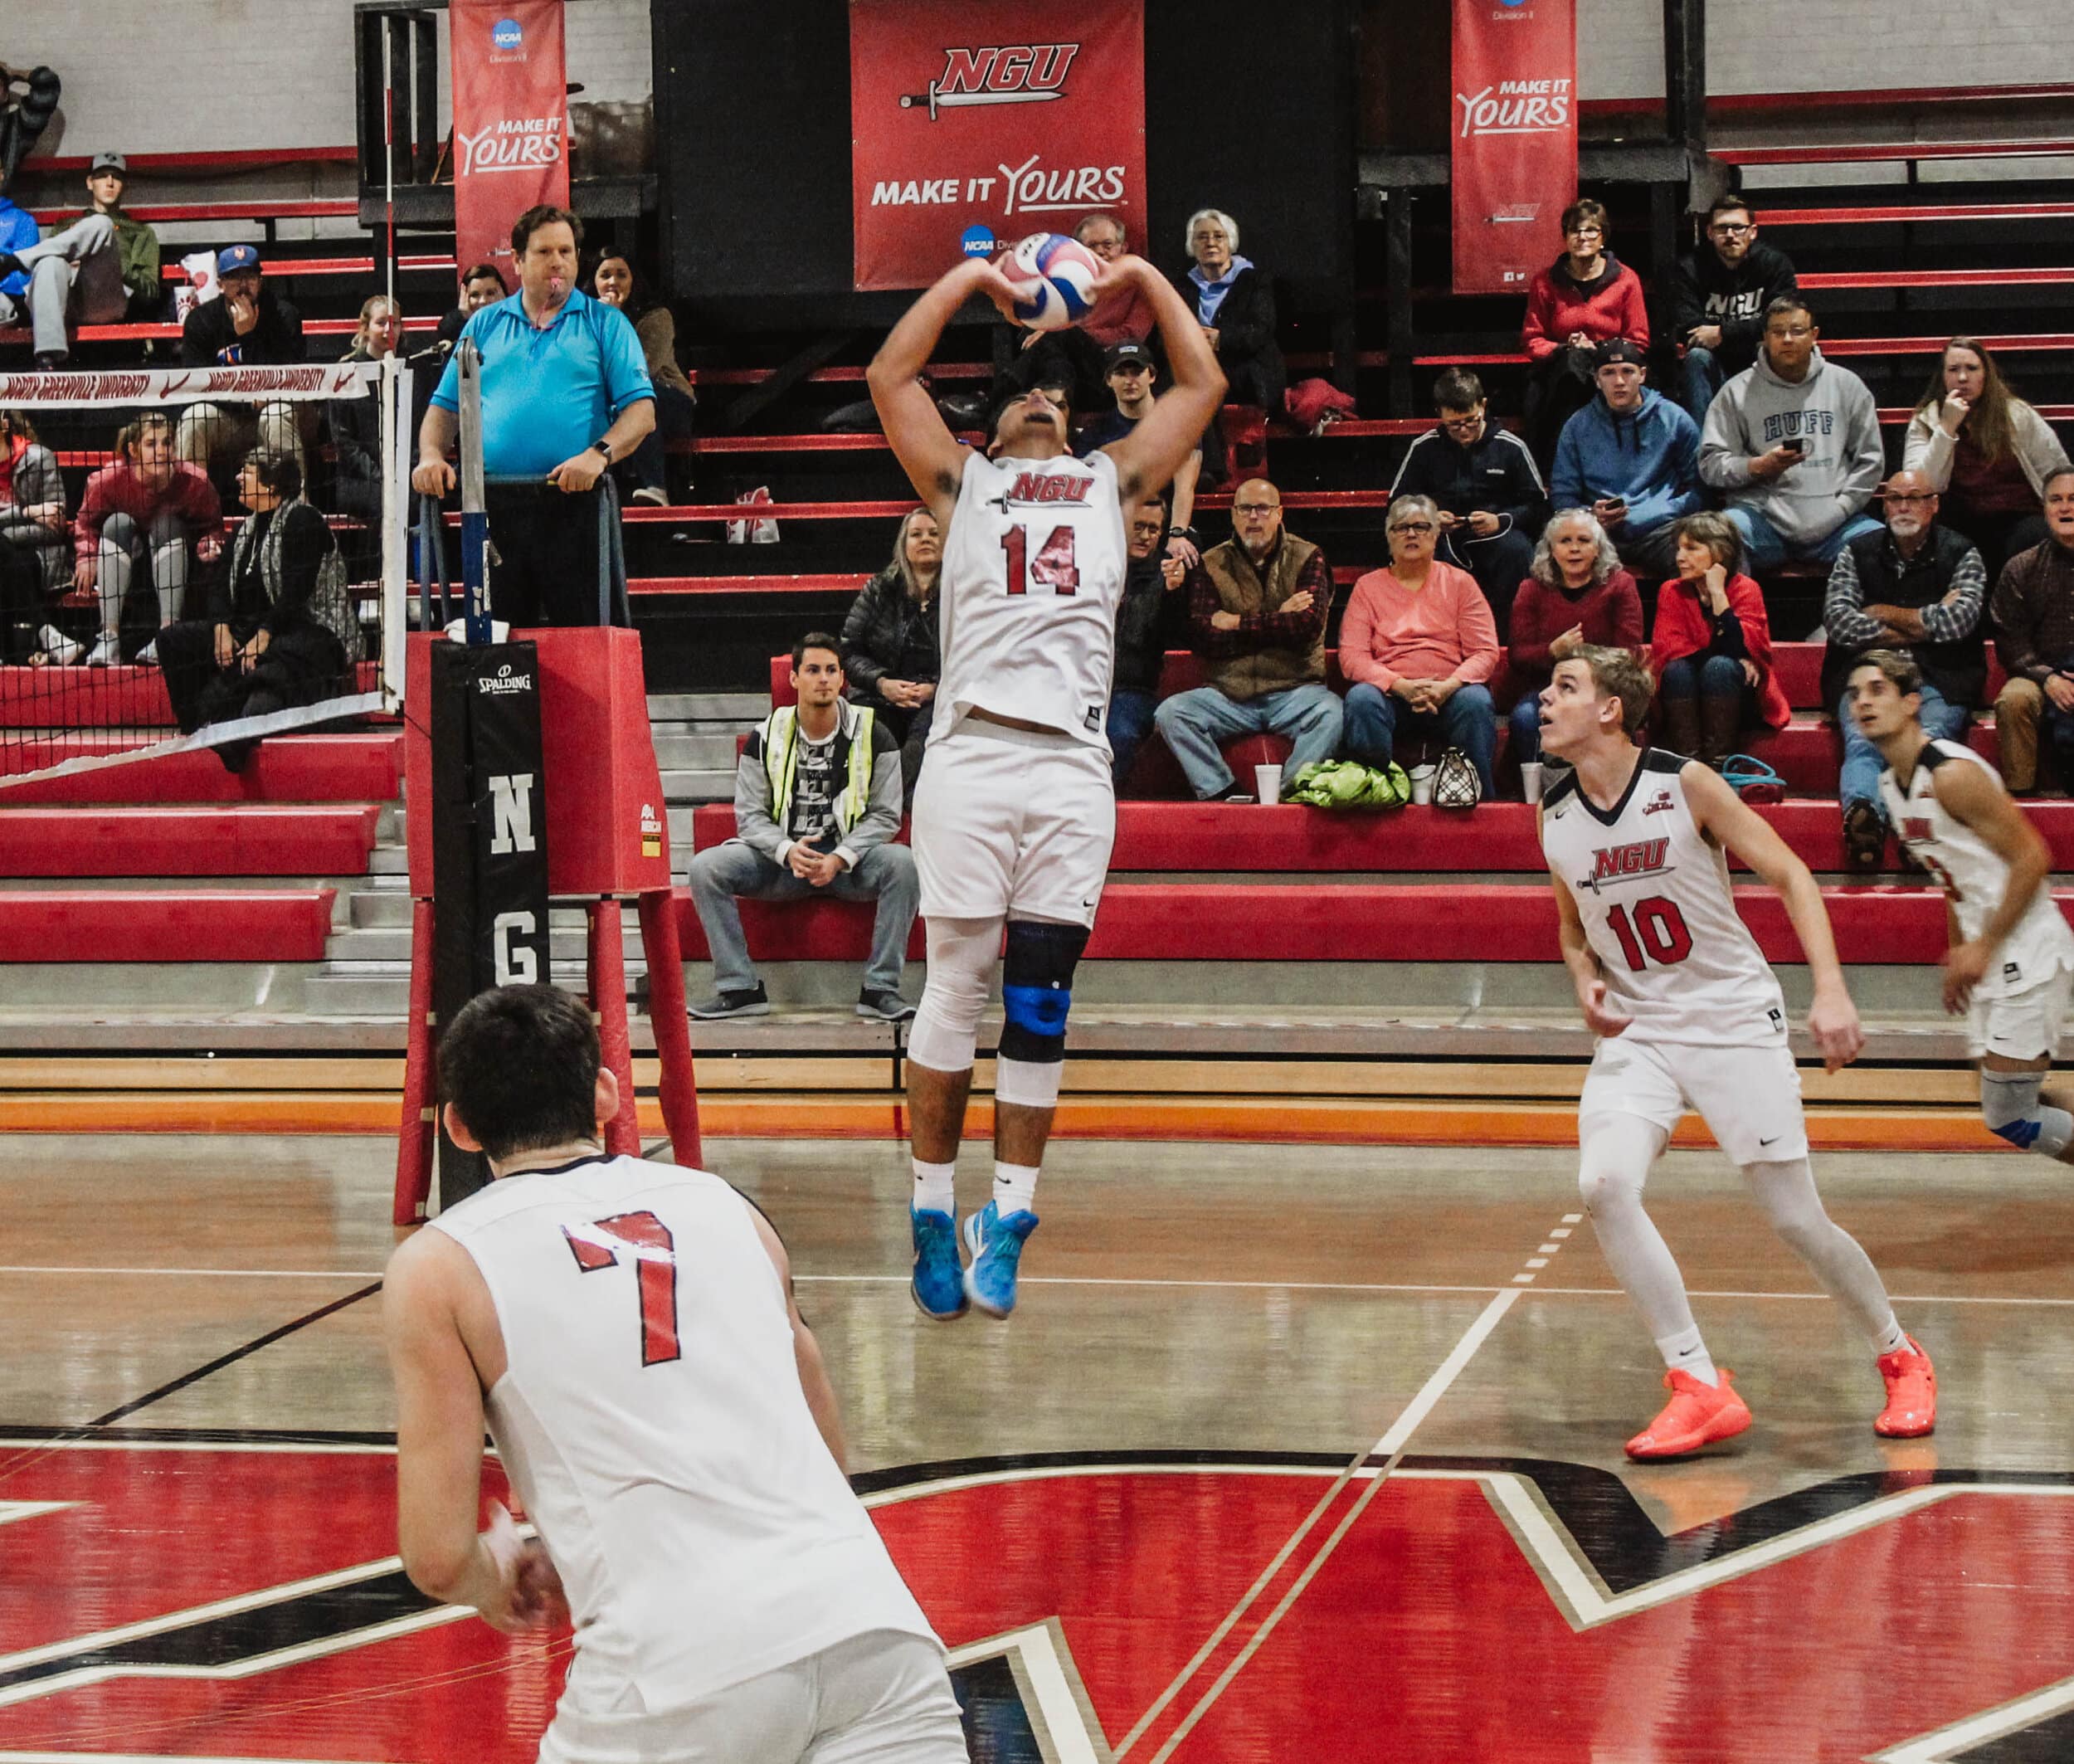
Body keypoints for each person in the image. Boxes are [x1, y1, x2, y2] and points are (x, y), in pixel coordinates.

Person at [383, 984, 965, 1764]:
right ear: (604, 1094)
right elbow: (823, 1447)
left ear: (456, 1127)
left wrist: (497, 1585)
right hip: (874, 1632)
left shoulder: (439, 1265)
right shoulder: (726, 1205)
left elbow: (436, 1553)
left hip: (677, 1676)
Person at [868, 241, 1222, 1321]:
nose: (1033, 402)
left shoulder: (1111, 481)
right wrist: (973, 280)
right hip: (972, 748)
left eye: (1050, 395)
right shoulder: (960, 481)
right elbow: (891, 375)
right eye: (1016, 392)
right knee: (956, 983)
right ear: (994, 420)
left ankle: (1010, 1212)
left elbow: (1202, 383)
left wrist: (1143, 279)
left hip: (1072, 760)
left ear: (1073, 420)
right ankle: (933, 1205)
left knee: (1043, 998)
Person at [1537, 644, 1935, 1459]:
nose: (1544, 701)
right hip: (1642, 1028)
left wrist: (1828, 989)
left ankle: (1900, 1352)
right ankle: (1698, 1381)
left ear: (1610, 707)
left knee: (1794, 1216)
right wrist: (1583, 977)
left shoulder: (1684, 783)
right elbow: (1573, 926)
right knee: (1604, 1182)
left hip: (1727, 1015)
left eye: (1565, 687)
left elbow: (1791, 873)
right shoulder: (1554, 814)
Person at [1850, 648, 2074, 1167]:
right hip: (1989, 955)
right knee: (2017, 1102)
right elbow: (1951, 880)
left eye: (1877, 690)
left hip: (2026, 952)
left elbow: (2034, 857)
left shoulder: (1951, 774)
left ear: (1912, 702)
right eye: (1854, 693)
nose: (1862, 702)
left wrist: (1985, 947)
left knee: (2012, 1115)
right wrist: (1960, 956)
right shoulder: (1890, 785)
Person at [416, 205, 655, 628]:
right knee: (495, 650)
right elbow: (444, 408)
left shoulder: (607, 324)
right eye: (545, 252)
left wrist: (598, 455)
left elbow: (642, 413)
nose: (558, 261)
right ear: (518, 260)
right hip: (494, 507)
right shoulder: (483, 325)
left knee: (589, 638)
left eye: (566, 250)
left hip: (578, 504)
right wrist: (432, 455)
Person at [687, 634, 918, 1024]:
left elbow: (885, 814)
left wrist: (840, 857)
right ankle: (739, 988)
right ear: (794, 679)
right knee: (705, 868)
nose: (823, 679)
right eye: (812, 670)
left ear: (843, 679)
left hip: (850, 864)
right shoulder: (766, 737)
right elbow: (749, 815)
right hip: (782, 863)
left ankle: (881, 989)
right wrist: (786, 850)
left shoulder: (875, 733)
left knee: (905, 863)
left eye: (831, 670)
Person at [1822, 470, 1987, 869]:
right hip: (1866, 674)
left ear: (1934, 505)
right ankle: (1865, 821)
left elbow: (1959, 623)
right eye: (1895, 498)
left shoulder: (1962, 553)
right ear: (1884, 505)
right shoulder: (1855, 551)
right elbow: (1840, 622)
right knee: (1864, 745)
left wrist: (1880, 613)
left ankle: (1919, 831)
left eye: (1915, 498)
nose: (1904, 506)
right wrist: (1924, 623)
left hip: (1939, 677)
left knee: (1928, 740)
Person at [154, 451, 353, 772]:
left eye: (246, 473)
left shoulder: (303, 519)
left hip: (304, 630)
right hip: (249, 631)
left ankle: (229, 725)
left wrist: (264, 634)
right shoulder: (246, 529)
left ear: (272, 487)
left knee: (275, 663)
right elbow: (219, 584)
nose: (237, 479)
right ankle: (197, 728)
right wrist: (221, 627)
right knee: (173, 640)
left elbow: (295, 593)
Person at [1154, 478, 1342, 802]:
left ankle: (1288, 794)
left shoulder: (1309, 556)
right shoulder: (1209, 563)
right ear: (1233, 514)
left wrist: (1234, 622)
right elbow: (1204, 638)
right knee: (1171, 713)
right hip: (1229, 693)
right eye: (1245, 509)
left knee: (1332, 712)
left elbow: (1306, 629)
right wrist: (1278, 619)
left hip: (1295, 690)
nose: (1254, 517)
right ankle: (1222, 792)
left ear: (1279, 513)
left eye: (1263, 509)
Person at [1699, 295, 1884, 573]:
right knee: (1721, 537)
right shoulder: (1736, 392)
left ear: (1814, 335)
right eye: (1778, 331)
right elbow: (1710, 463)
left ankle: (1858, 617)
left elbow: (1871, 460)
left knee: (1884, 544)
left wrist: (1842, 508)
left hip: (1837, 523)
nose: (1787, 339)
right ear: (1764, 337)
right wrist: (1757, 466)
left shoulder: (1847, 386)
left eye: (1797, 331)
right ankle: (1740, 616)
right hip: (1764, 524)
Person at [1339, 493, 1501, 801]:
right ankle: (1376, 797)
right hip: (1391, 694)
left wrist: (1449, 686)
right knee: (1361, 699)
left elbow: (1485, 651)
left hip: (1451, 693)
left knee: (1476, 701)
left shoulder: (1460, 583)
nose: (1411, 534)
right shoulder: (1368, 587)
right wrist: (1399, 685)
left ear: (1436, 535)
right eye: (1400, 528)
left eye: (1421, 527)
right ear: (1388, 536)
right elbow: (1352, 656)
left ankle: (1481, 802)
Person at [1386, 369, 1545, 639]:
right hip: (1440, 537)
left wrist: (1501, 520)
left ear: (1483, 406)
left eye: (1471, 421)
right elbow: (1397, 502)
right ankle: (1433, 637)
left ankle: (1510, 638)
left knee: (1518, 551)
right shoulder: (1424, 447)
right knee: (1415, 549)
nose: (1464, 431)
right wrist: (1430, 515)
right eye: (1454, 424)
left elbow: (1537, 505)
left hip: (1497, 535)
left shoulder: (1511, 446)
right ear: (1440, 414)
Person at [1903, 337, 2072, 579]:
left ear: (1986, 374)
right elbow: (1923, 486)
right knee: (1943, 545)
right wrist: (1947, 428)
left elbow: (2056, 472)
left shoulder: (2017, 414)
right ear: (1943, 376)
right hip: (1957, 521)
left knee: (2033, 538)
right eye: (1953, 370)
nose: (1962, 378)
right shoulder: (1925, 421)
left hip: (2017, 518)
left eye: (1971, 369)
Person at [71, 412, 223, 666]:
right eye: (151, 444)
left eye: (167, 443)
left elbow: (213, 529)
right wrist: (86, 556)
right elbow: (86, 524)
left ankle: (167, 636)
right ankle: (109, 639)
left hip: (176, 567)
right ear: (133, 449)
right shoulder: (107, 481)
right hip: (125, 566)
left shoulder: (195, 482)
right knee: (116, 523)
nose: (161, 451)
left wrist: (209, 545)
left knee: (167, 524)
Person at [1551, 339, 1703, 589]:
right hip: (1598, 532)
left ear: (1642, 375)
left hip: (1661, 529)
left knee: (1699, 555)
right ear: (1597, 380)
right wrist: (1589, 515)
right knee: (1548, 557)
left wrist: (1658, 512)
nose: (1619, 382)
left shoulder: (1674, 419)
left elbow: (1699, 487)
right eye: (1609, 373)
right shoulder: (1577, 426)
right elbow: (1563, 495)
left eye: (1627, 372)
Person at [1648, 512, 1789, 767]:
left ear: (1720, 552)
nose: (1680, 557)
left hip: (1739, 699)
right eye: (1678, 549)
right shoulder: (1671, 591)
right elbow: (1669, 650)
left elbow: (1747, 646)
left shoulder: (1746, 588)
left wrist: (1717, 595)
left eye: (1691, 548)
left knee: (1720, 669)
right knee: (1679, 670)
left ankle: (1717, 766)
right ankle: (1687, 765)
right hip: (1685, 692)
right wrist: (1735, 656)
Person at [1507, 509, 1643, 767]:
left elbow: (1628, 652)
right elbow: (1518, 655)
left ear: (1598, 549)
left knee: (1613, 713)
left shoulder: (1621, 585)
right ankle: (1537, 795)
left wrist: (1584, 668)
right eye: (1565, 541)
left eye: (1583, 540)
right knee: (1525, 717)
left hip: (1603, 687)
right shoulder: (1531, 589)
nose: (1574, 549)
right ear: (1551, 550)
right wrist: (1552, 652)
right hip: (1546, 688)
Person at [1521, 199, 1649, 465]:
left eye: (1591, 230)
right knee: (1570, 367)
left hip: (1612, 364)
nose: (1582, 237)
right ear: (1565, 237)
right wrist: (1564, 347)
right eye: (1574, 231)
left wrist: (1600, 349)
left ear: (1603, 237)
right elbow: (1533, 339)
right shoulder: (1544, 282)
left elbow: (1638, 340)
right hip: (1560, 369)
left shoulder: (1626, 279)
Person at [175, 243, 309, 478]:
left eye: (249, 276)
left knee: (277, 413)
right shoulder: (201, 321)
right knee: (194, 417)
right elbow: (196, 387)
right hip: (228, 418)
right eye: (234, 278)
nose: (243, 285)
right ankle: (191, 508)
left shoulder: (284, 316)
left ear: (260, 280)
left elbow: (287, 380)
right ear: (220, 284)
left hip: (273, 416)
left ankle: (293, 509)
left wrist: (248, 336)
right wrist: (245, 404)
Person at [840, 507, 941, 809]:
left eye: (934, 534)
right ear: (903, 544)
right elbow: (849, 650)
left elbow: (976, 656)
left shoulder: (963, 592)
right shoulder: (878, 590)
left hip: (938, 696)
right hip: (881, 695)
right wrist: (883, 684)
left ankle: (884, 806)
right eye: (917, 534)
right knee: (865, 728)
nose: (926, 540)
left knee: (927, 737)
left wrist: (938, 688)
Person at [1669, 195, 1799, 429]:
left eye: (1738, 227)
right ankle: (1702, 455)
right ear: (1709, 233)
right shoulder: (1689, 268)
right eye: (1722, 228)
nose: (1730, 235)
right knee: (1696, 357)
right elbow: (1688, 329)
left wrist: (1722, 332)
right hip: (1715, 367)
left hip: (1760, 364)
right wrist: (1751, 330)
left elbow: (1782, 322)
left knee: (1778, 350)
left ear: (1753, 231)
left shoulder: (1774, 264)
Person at [1989, 468, 2074, 795]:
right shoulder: (2021, 568)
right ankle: (2021, 801)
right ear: (2045, 509)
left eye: (2072, 500)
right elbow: (2010, 639)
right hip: (2040, 674)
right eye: (2056, 500)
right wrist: (2049, 679)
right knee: (2014, 700)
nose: (2065, 508)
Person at [0, 165, 131, 370]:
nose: (109, 183)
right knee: (50, 261)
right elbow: (38, 276)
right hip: (57, 303)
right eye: (102, 177)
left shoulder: (139, 231)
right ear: (90, 183)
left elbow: (149, 288)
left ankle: (15, 259)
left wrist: (91, 257)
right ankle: (47, 357)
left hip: (99, 296)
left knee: (102, 224)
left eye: (116, 178)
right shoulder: (64, 225)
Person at [592, 251, 694, 509]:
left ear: (634, 280)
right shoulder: (586, 320)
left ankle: (656, 486)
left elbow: (641, 369)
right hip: (615, 401)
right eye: (605, 275)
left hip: (669, 397)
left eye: (621, 275)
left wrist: (613, 320)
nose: (612, 282)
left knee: (638, 398)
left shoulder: (658, 316)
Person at [1079, 341, 1202, 544]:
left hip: (1167, 526)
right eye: (1121, 373)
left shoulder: (1179, 425)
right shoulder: (1095, 434)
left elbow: (1184, 488)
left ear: (1152, 376)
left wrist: (1177, 534)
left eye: (1136, 372)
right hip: (1116, 532)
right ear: (1109, 380)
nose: (1130, 380)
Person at [1108, 490, 1185, 787]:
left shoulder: (1166, 577)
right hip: (1082, 686)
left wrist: (1172, 594)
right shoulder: (1093, 568)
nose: (1145, 536)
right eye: (1138, 526)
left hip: (1132, 691)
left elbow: (1172, 633)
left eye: (1154, 529)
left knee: (1119, 734)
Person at [1176, 208, 1283, 413]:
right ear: (1191, 245)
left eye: (1219, 236)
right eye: (1202, 237)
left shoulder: (1255, 281)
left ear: (1230, 242)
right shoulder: (1181, 286)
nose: (1211, 242)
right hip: (1197, 374)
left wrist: (1220, 339)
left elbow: (1260, 330)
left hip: (1244, 374)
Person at [327, 294, 401, 525]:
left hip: (402, 477)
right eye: (381, 323)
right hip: (358, 480)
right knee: (389, 502)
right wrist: (381, 476)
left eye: (396, 323)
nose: (390, 329)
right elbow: (344, 442)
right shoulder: (346, 371)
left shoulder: (411, 369)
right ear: (365, 327)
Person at [0, 409, 66, 663]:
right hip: (12, 559)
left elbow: (54, 527)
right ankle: (44, 634)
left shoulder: (39, 458)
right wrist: (28, 511)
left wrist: (5, 534)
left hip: (38, 553)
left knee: (12, 563)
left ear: (4, 424)